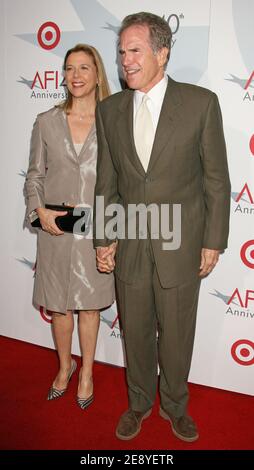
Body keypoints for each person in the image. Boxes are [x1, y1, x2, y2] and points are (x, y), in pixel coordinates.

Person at [94, 12, 231, 441]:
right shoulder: (110, 109)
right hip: (131, 243)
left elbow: (216, 180)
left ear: (162, 52)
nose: (125, 61)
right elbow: (107, 179)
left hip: (182, 242)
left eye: (134, 51)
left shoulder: (200, 103)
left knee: (175, 335)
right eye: (121, 53)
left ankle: (174, 404)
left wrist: (213, 240)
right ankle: (138, 404)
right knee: (135, 332)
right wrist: (104, 236)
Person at [25, 44, 115, 409]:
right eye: (69, 69)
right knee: (60, 307)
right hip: (56, 227)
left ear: (97, 75)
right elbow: (34, 177)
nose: (75, 76)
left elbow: (122, 184)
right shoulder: (46, 121)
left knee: (90, 308)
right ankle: (65, 367)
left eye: (83, 68)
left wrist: (113, 235)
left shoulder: (113, 124)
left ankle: (88, 372)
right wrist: (39, 212)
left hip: (96, 228)